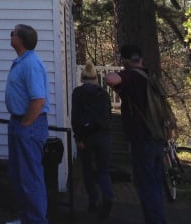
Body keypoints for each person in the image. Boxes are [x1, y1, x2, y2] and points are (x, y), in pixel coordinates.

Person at [105, 44, 168, 224]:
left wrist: (123, 71)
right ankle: (158, 219)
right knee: (155, 185)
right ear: (141, 59)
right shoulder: (150, 77)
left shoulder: (132, 76)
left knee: (145, 186)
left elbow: (111, 79)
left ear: (125, 60)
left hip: (142, 139)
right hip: (157, 136)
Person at [5, 24, 49, 224]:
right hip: (19, 122)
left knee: (30, 177)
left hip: (29, 125)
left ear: (20, 39)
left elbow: (38, 100)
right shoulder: (21, 62)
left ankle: (36, 221)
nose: (11, 34)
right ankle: (25, 218)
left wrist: (25, 125)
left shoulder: (31, 63)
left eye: (13, 32)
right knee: (19, 175)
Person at [71, 62, 113, 218]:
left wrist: (79, 137)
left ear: (82, 78)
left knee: (87, 169)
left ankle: (93, 201)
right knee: (103, 170)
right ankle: (108, 195)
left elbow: (75, 118)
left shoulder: (78, 93)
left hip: (86, 138)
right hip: (103, 136)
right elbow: (107, 117)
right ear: (96, 78)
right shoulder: (103, 94)